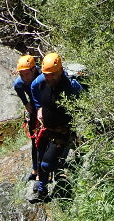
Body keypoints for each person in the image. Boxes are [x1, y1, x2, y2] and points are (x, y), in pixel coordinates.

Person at [30, 52, 83, 202]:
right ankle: (42, 188)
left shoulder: (71, 87)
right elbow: (33, 87)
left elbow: (82, 106)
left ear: (60, 71)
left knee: (47, 164)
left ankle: (57, 174)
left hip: (62, 132)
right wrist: (39, 107)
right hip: (45, 127)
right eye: (47, 74)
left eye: (53, 74)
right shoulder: (43, 79)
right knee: (41, 156)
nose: (49, 77)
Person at [13, 55, 41, 182]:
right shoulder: (20, 82)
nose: (25, 78)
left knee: (44, 139)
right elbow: (17, 87)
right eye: (22, 75)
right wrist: (25, 103)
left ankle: (44, 170)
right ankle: (35, 169)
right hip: (35, 108)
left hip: (46, 106)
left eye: (27, 74)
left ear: (34, 70)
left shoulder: (42, 77)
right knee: (35, 139)